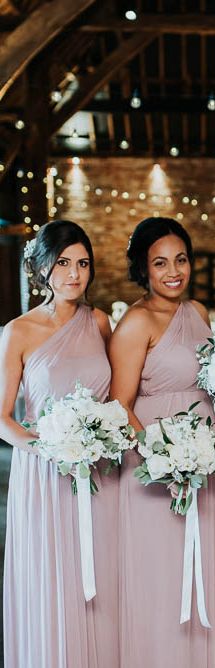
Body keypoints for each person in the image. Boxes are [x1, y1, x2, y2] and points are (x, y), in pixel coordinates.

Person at [109, 217, 215, 667]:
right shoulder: (136, 323)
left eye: (181, 260)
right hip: (159, 468)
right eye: (160, 263)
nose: (173, 271)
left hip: (204, 461)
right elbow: (120, 406)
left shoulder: (196, 313)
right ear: (144, 268)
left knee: (203, 571)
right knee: (163, 572)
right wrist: (163, 460)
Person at [0, 221, 118, 667]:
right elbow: (2, 418)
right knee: (52, 578)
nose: (74, 274)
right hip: (44, 471)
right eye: (64, 263)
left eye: (82, 263)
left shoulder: (101, 322)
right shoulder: (19, 331)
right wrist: (45, 449)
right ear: (42, 268)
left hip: (98, 471)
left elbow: (115, 397)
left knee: (97, 576)